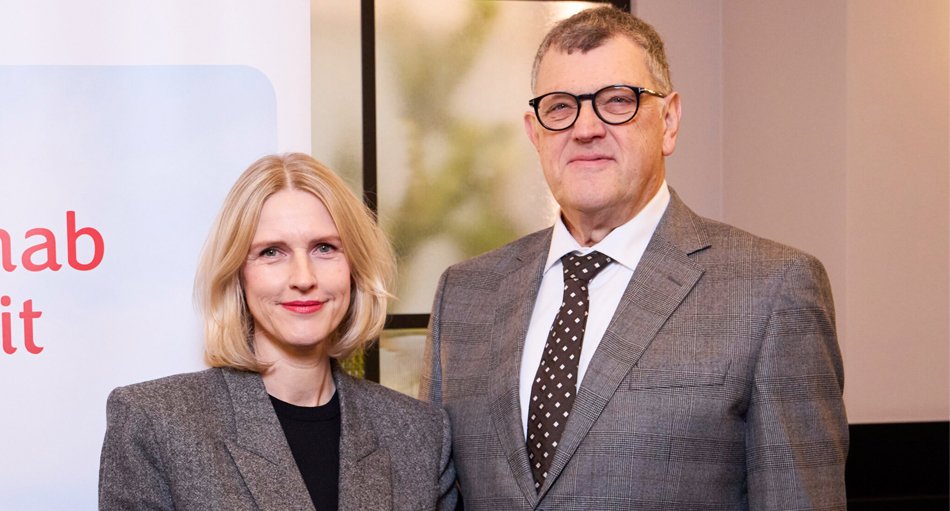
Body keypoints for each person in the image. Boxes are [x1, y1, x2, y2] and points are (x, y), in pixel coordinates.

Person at [422, 6, 846, 510]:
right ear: (535, 132)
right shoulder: (464, 295)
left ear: (668, 121)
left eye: (617, 101)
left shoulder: (771, 290)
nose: (585, 128)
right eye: (560, 107)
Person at [99, 153, 457, 510]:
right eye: (272, 252)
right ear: (238, 274)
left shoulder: (420, 434)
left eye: (324, 248)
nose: (303, 278)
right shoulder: (155, 422)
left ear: (354, 268)